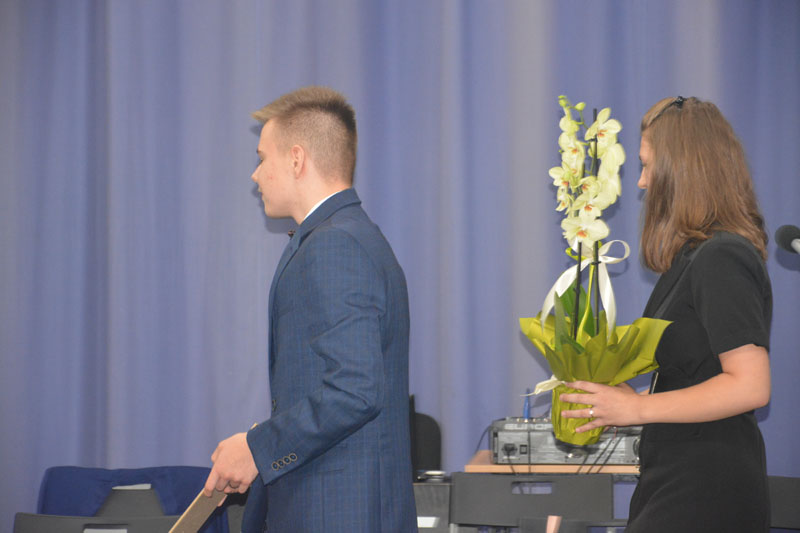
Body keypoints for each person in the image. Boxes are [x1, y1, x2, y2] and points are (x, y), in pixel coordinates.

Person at [203, 86, 418, 532]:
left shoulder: (335, 245)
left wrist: (257, 448)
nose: (255, 175)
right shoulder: (349, 236)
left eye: (263, 158)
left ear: (297, 159)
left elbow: (355, 390)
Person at [560, 96, 772, 532]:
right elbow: (691, 373)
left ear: (683, 170)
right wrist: (618, 399)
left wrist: (636, 408)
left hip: (707, 487)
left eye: (647, 166)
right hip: (675, 475)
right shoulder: (692, 257)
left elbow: (750, 386)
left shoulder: (722, 256)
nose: (641, 183)